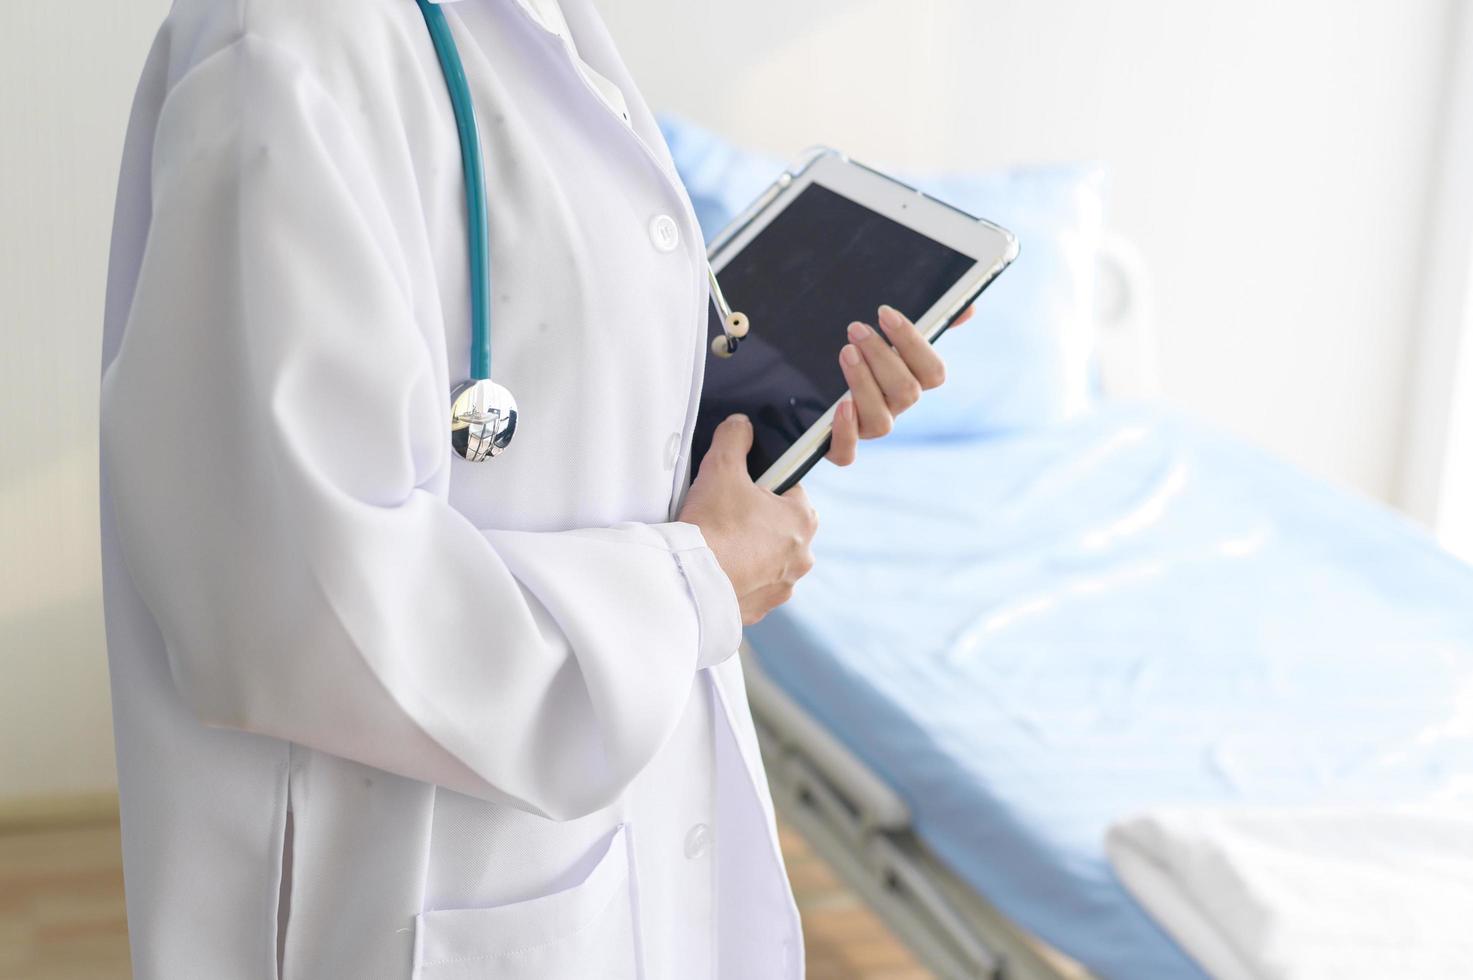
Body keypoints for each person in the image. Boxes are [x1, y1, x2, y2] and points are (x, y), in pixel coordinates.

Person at [98, 0, 963, 976]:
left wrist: (728, 432)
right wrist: (697, 577)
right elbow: (285, 606)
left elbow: (548, 388)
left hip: (603, 841)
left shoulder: (543, 23)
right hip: (411, 897)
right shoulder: (292, 45)